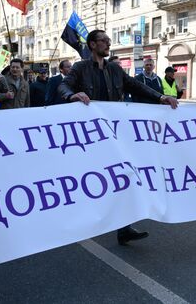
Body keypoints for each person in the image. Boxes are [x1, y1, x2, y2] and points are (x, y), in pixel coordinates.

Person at [58, 29, 178, 245]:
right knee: (90, 178)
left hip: (114, 134)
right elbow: (63, 85)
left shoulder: (114, 69)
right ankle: (75, 218)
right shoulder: (81, 67)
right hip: (90, 135)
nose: (108, 44)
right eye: (104, 40)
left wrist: (161, 97)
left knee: (124, 176)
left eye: (108, 41)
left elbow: (136, 86)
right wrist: (72, 95)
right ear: (92, 44)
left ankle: (123, 228)